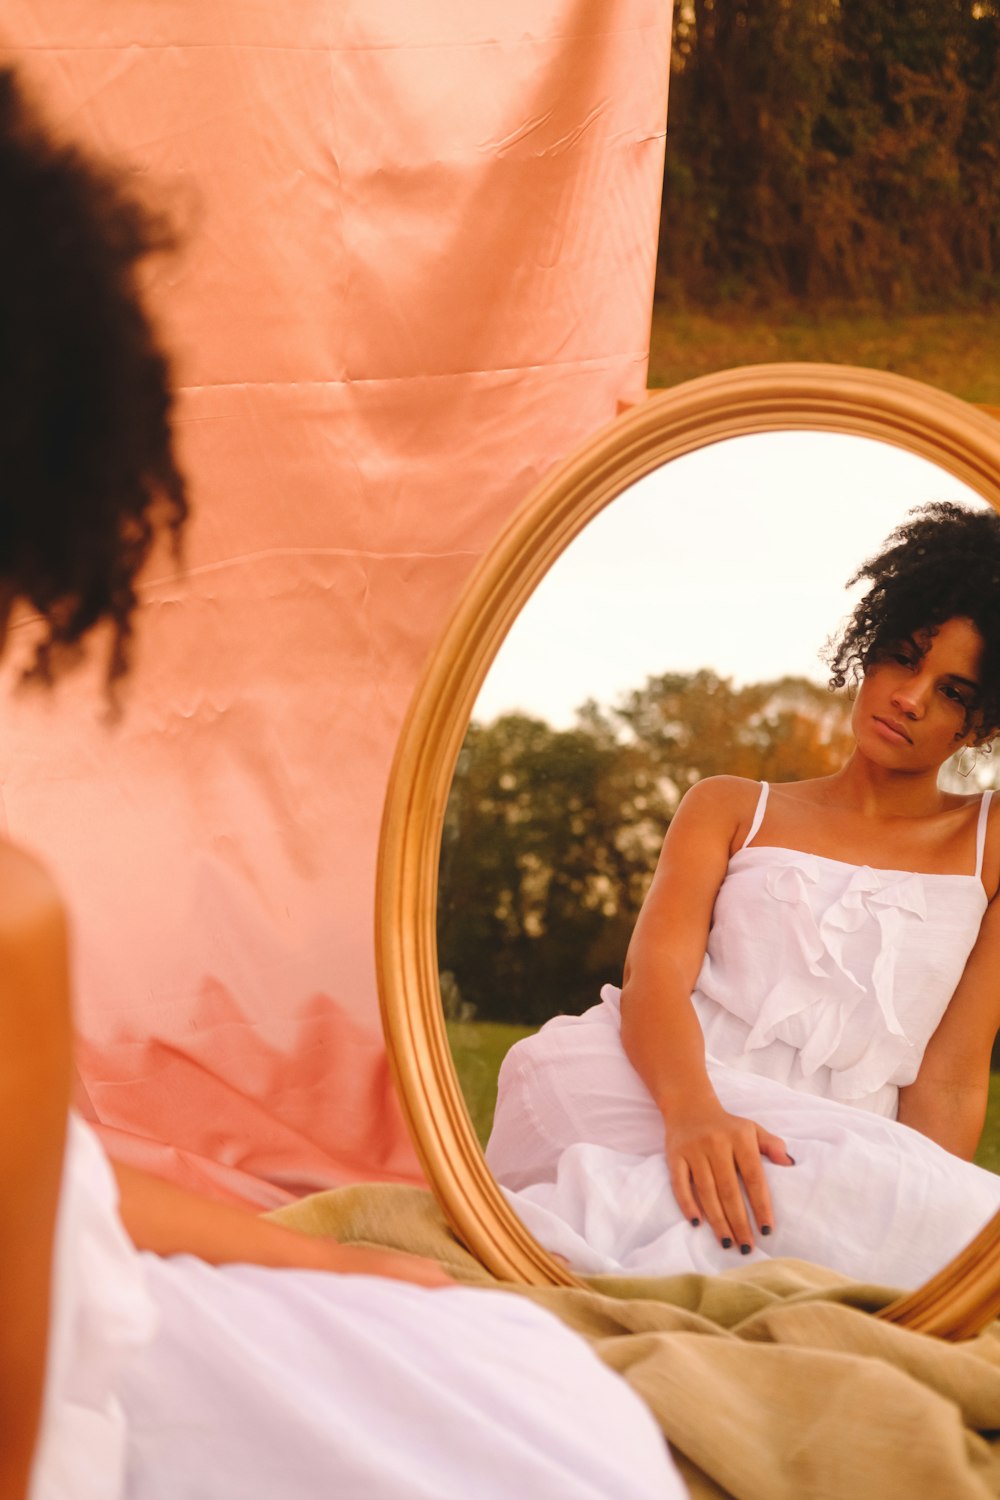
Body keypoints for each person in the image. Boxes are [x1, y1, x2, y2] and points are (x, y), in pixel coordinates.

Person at [0, 67, 685, 1500]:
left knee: (539, 1405)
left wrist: (351, 1271)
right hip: (70, 1381)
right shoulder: (12, 923)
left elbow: (58, 1188)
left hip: (89, 1293)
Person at [486, 500, 1000, 1286]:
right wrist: (693, 1116)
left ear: (980, 725)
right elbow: (655, 980)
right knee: (553, 1081)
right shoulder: (728, 805)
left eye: (955, 692)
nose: (911, 698)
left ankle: (687, 1232)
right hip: (656, 1088)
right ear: (867, 651)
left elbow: (954, 1075)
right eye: (902, 657)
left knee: (965, 1222)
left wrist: (908, 1207)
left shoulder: (990, 843)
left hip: (842, 1145)